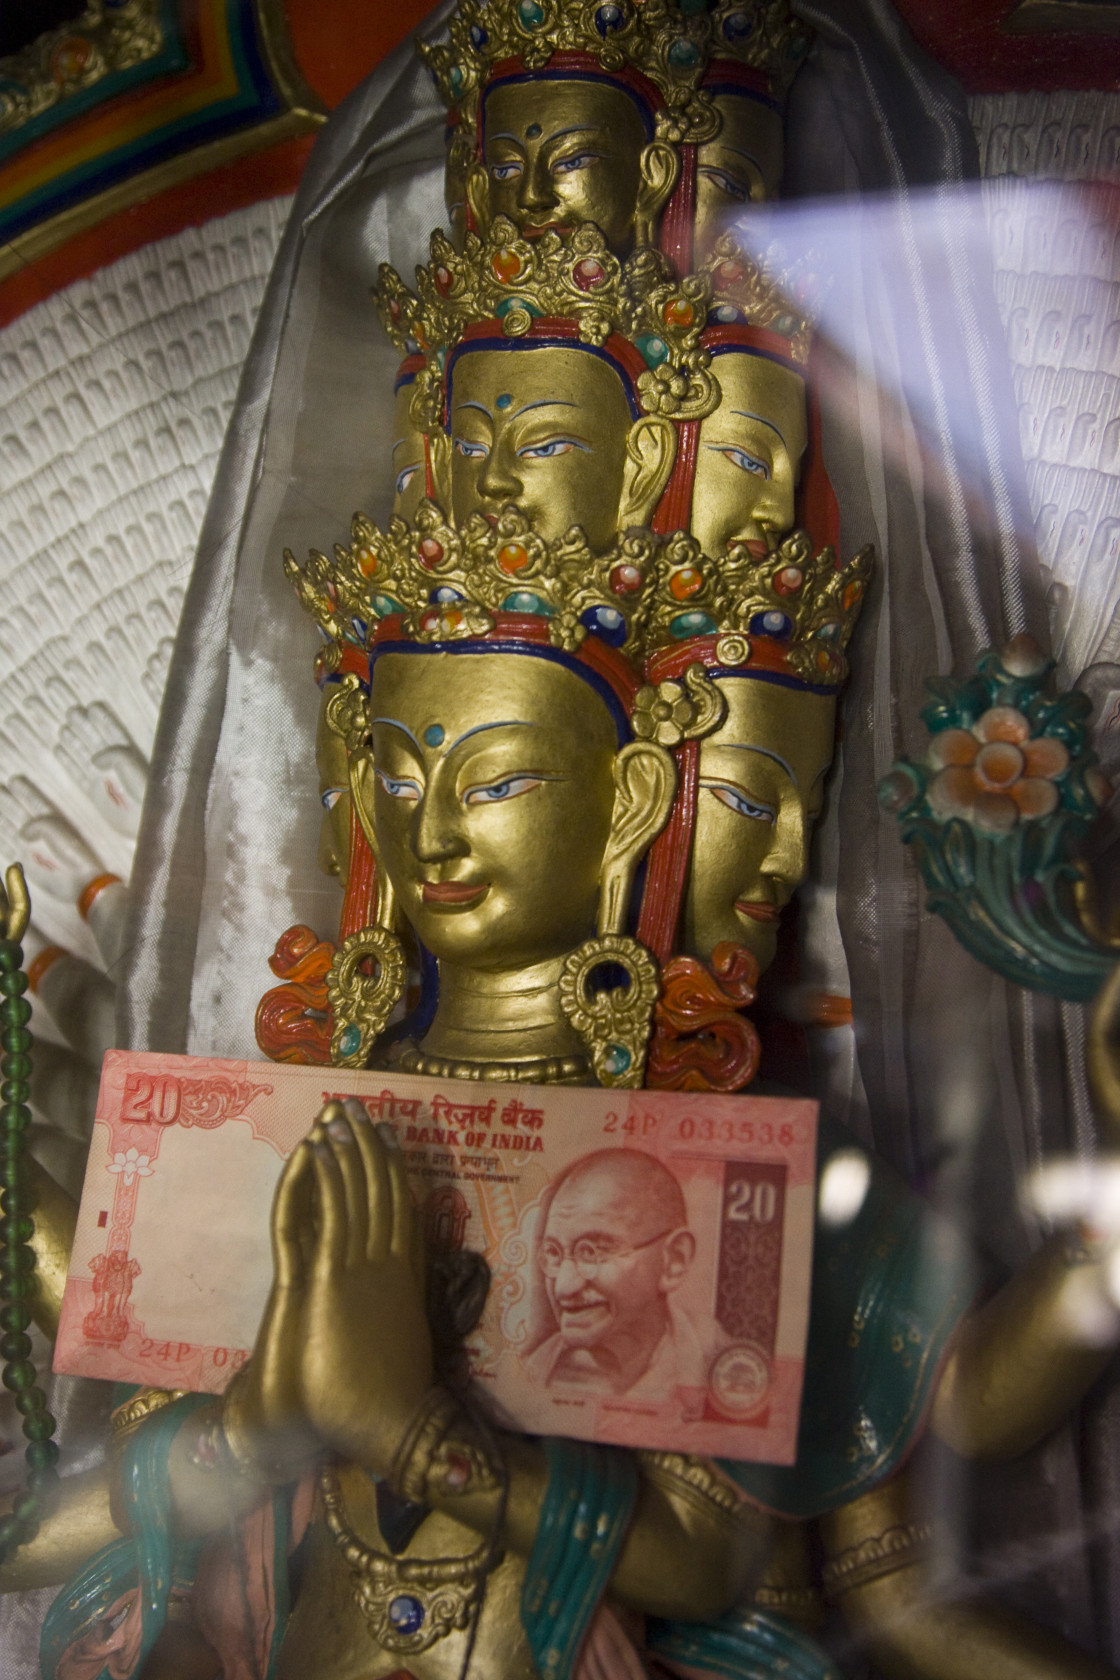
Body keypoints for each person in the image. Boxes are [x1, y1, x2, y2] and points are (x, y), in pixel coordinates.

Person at [522, 1149, 704, 1395]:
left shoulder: (717, 1369)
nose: (563, 1287)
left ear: (673, 1261)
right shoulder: (526, 1373)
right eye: (553, 1253)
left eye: (594, 1252)